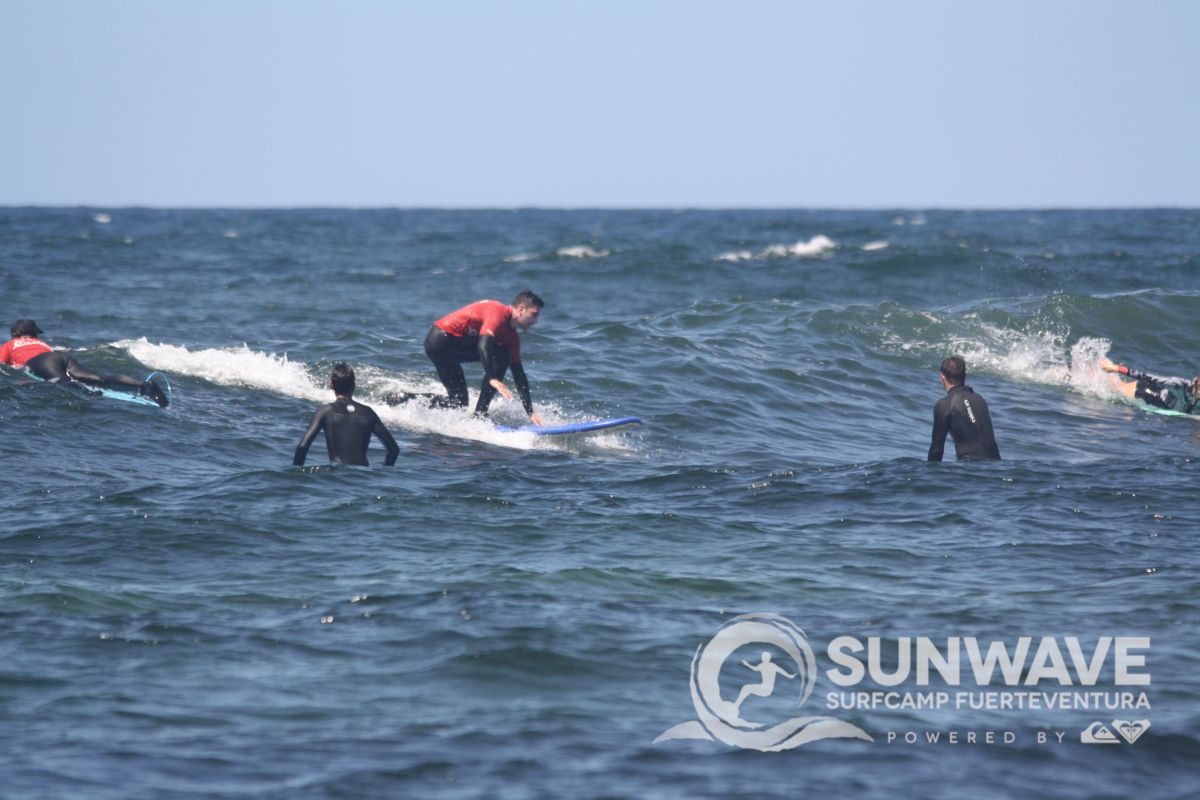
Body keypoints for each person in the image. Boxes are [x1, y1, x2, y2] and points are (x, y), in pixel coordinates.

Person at [387, 291, 546, 425]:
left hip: (444, 346)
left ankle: (403, 399)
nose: (535, 321)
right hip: (442, 339)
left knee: (458, 403)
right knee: (502, 354)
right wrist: (492, 378)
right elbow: (483, 344)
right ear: (520, 309)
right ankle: (480, 415)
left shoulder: (511, 338)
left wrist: (530, 412)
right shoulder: (498, 312)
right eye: (534, 315)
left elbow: (519, 374)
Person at [0, 319, 168, 407]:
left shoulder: (9, 345)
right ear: (33, 334)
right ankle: (143, 385)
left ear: (14, 334)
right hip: (59, 356)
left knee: (61, 381)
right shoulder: (41, 344)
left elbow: (2, 364)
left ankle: (89, 394)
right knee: (99, 378)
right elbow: (48, 355)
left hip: (39, 362)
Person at [294, 363, 400, 467]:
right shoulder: (368, 412)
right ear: (354, 385)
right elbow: (393, 449)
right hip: (364, 475)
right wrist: (384, 472)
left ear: (331, 384)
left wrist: (297, 472)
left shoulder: (325, 411)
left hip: (339, 474)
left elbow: (303, 446)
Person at [928, 355, 1001, 461]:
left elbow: (936, 449)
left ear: (942, 377)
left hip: (970, 467)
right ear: (964, 376)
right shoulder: (979, 399)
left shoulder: (945, 405)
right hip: (996, 465)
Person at [1100, 357, 1200, 414]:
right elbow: (1149, 377)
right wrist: (1117, 369)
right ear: (1197, 381)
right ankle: (1100, 368)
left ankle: (1103, 369)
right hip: (1145, 391)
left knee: (1116, 385)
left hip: (1156, 404)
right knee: (1115, 389)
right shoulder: (1180, 383)